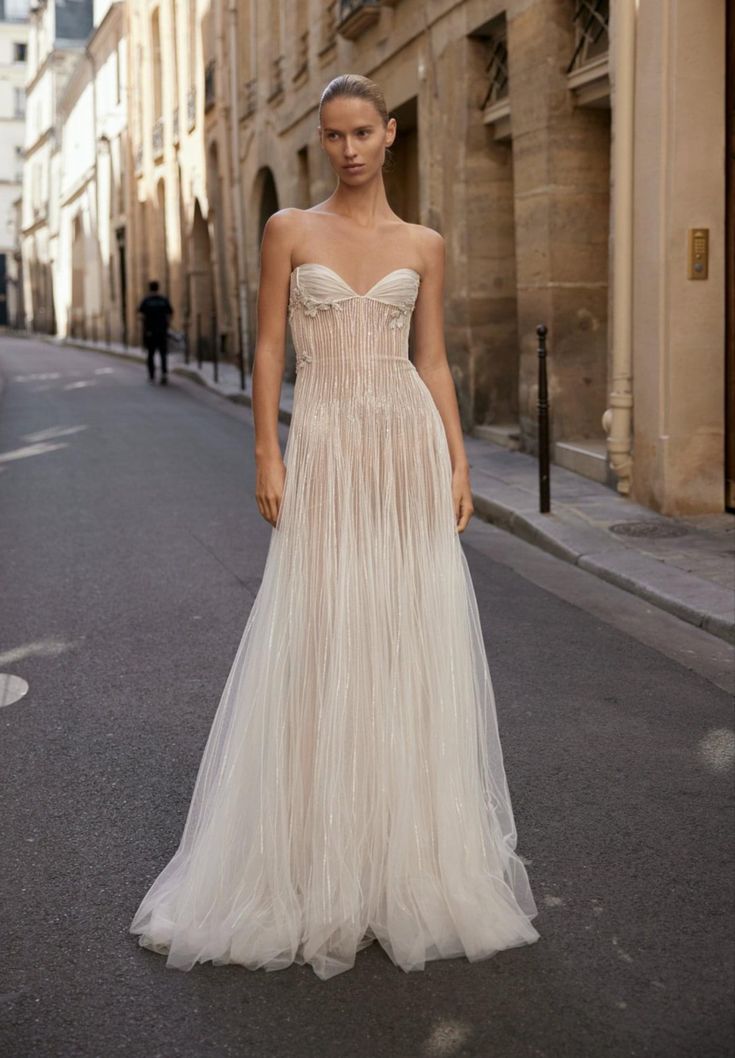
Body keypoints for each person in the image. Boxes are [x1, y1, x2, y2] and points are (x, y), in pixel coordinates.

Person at [129, 74, 540, 981]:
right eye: (333, 136)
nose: (348, 149)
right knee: (319, 630)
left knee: (402, 630)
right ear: (323, 142)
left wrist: (458, 459)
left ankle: (403, 853)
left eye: (362, 132)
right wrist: (265, 454)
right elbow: (269, 345)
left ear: (389, 135)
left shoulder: (425, 244)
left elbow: (428, 358)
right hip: (323, 445)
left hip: (401, 448)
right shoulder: (290, 230)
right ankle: (316, 849)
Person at [137, 281, 173, 385]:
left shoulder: (146, 301)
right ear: (158, 288)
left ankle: (152, 375)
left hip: (150, 331)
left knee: (150, 354)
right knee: (163, 353)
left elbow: (140, 315)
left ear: (150, 288)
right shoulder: (163, 300)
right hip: (162, 331)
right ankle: (164, 374)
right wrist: (166, 324)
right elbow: (170, 313)